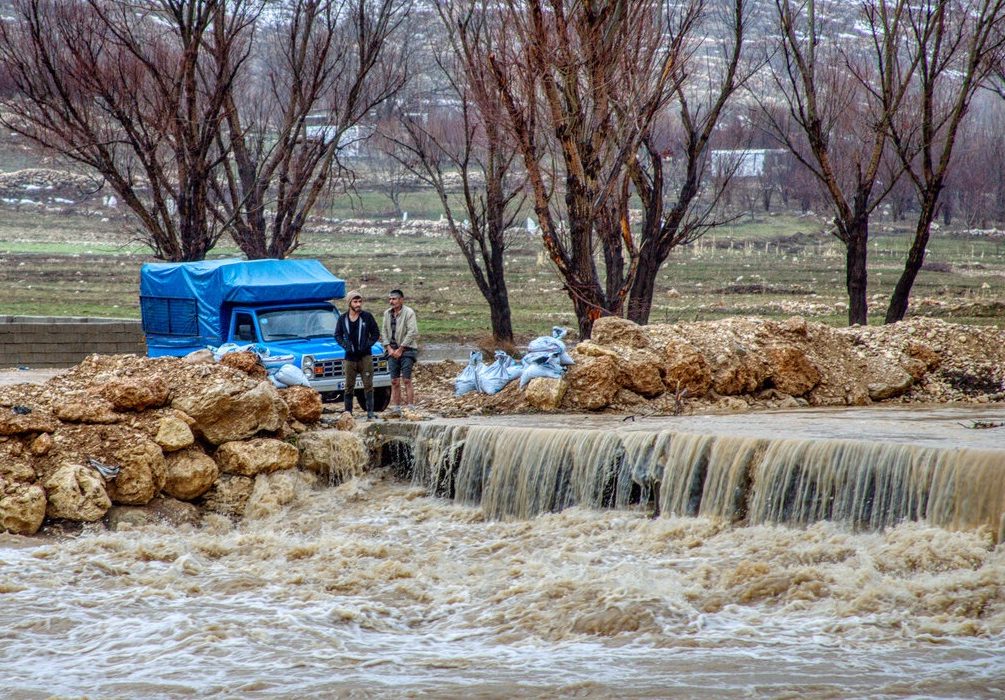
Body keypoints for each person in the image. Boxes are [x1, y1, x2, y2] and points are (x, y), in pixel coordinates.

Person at [334, 290, 380, 419]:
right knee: (348, 386)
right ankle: (348, 413)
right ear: (349, 303)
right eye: (355, 302)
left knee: (368, 385)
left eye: (360, 301)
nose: (358, 304)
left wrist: (368, 344)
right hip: (350, 358)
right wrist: (344, 345)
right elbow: (337, 335)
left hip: (365, 357)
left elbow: (376, 333)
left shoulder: (367, 317)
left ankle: (370, 412)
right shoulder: (343, 319)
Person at [381, 288, 419, 412]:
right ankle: (396, 408)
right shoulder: (387, 313)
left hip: (407, 349)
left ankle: (410, 407)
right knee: (394, 381)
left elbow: (412, 331)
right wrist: (389, 348)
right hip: (391, 350)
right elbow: (384, 331)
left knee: (407, 379)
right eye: (390, 299)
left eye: (394, 299)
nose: (391, 301)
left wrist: (401, 348)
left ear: (401, 300)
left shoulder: (409, 313)